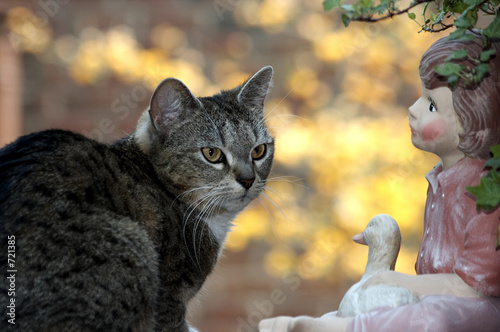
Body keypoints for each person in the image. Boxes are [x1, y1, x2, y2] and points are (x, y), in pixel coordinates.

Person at [259, 33, 500, 332]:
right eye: (421, 96)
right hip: (435, 299)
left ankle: (338, 329)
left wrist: (403, 283)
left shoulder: (486, 191)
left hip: (476, 309)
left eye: (432, 106)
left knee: (434, 317)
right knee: (388, 304)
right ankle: (331, 324)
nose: (413, 108)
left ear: (473, 125)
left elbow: (474, 289)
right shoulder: (440, 179)